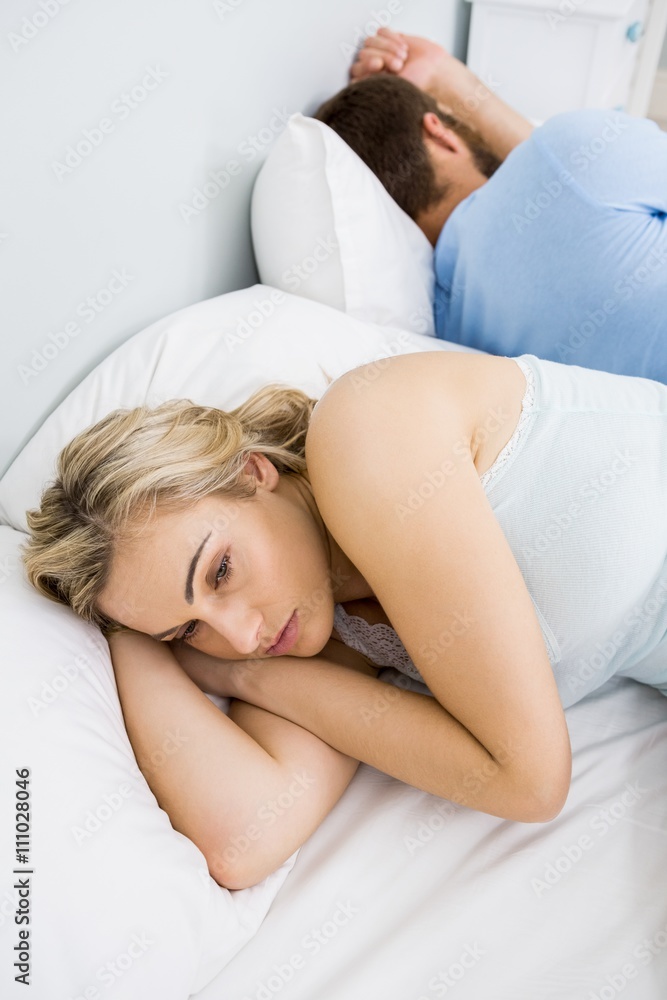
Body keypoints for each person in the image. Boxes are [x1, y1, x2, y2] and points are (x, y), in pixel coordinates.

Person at [22, 348, 667, 891]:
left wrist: (244, 678)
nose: (241, 637)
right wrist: (127, 637)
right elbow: (244, 838)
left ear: (253, 471)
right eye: (189, 630)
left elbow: (530, 782)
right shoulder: (330, 629)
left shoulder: (368, 433)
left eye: (220, 571)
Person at [314, 29, 667, 383]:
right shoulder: (575, 151)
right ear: (438, 130)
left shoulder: (451, 333)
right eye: (451, 116)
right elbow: (558, 168)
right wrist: (447, 79)